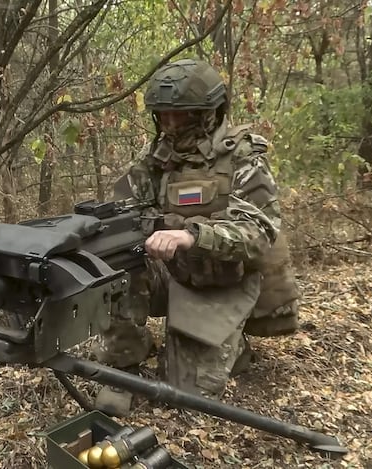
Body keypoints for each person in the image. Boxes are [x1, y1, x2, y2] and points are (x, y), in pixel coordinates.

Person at [92, 58, 301, 416]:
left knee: (185, 396)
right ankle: (123, 362)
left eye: (183, 115)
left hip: (221, 283)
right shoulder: (155, 159)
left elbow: (259, 231)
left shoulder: (242, 157)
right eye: (164, 116)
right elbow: (127, 210)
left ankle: (231, 341)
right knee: (114, 268)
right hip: (170, 271)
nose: (171, 125)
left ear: (209, 112)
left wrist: (192, 235)